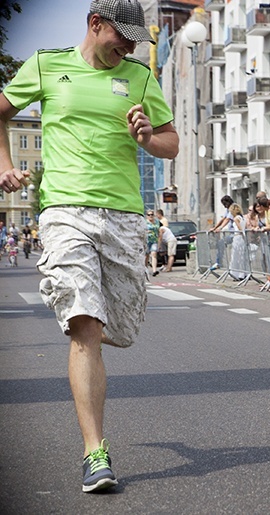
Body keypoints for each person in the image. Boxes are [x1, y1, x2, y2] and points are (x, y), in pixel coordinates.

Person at [0, 0, 179, 492]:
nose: (127, 46)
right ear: (94, 24)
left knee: (112, 329)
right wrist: (4, 164)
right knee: (85, 322)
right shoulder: (45, 64)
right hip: (64, 211)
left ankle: (94, 439)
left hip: (122, 217)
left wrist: (147, 136)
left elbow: (171, 142)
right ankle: (94, 452)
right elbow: (0, 110)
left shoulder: (140, 78)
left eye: (133, 40)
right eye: (119, 36)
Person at [229, 203, 247, 280]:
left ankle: (236, 274)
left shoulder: (236, 218)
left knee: (236, 255)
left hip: (237, 236)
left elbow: (240, 228)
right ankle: (243, 273)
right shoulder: (242, 217)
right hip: (242, 237)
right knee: (241, 256)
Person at [145, 210, 159, 277]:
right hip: (146, 241)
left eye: (152, 214)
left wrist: (159, 241)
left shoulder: (157, 222)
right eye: (149, 215)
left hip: (154, 240)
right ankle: (145, 269)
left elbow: (159, 231)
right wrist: (146, 232)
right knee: (146, 255)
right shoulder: (144, 222)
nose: (150, 216)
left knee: (154, 254)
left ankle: (154, 270)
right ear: (146, 216)